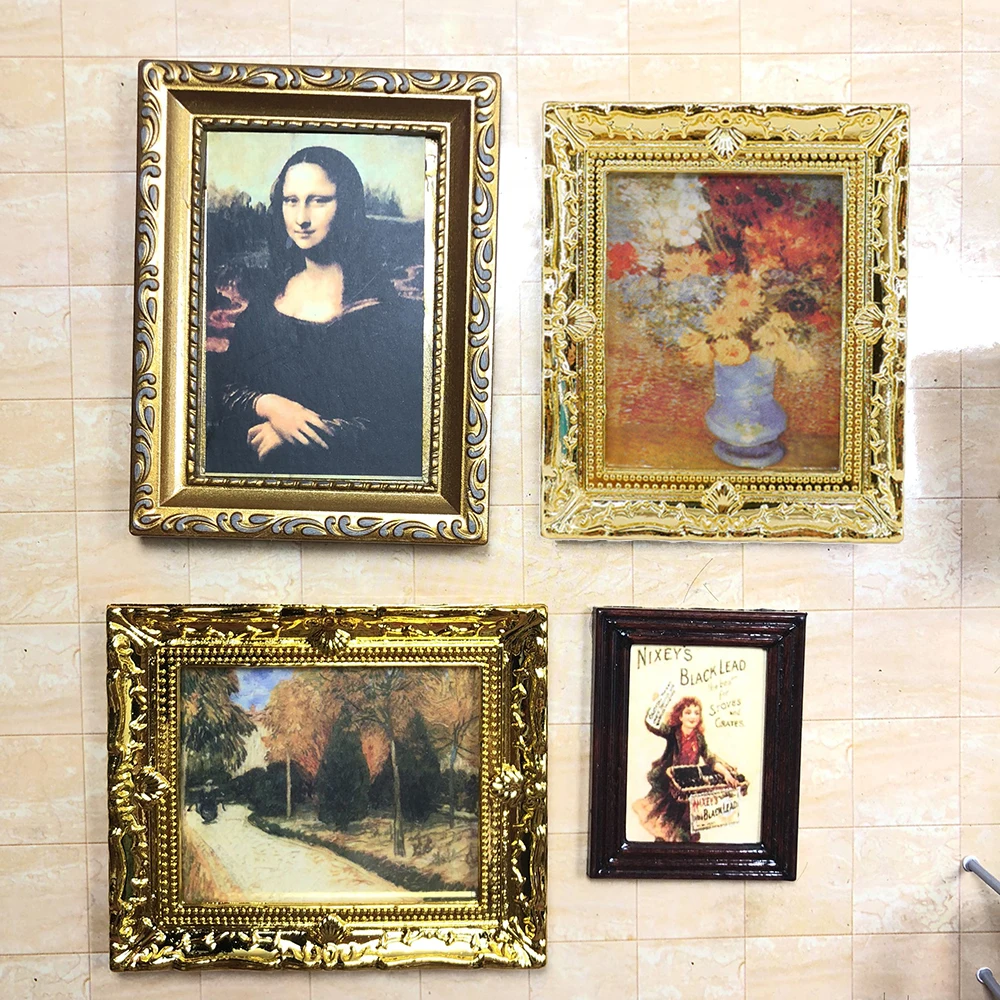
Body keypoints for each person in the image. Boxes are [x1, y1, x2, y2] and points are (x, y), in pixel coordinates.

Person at [205, 145, 424, 478]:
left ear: (347, 206)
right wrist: (271, 406)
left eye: (319, 200)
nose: (301, 218)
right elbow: (225, 388)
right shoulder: (268, 299)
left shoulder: (383, 315)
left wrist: (294, 434)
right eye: (291, 200)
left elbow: (396, 427)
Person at [632, 695, 738, 842]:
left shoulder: (699, 738)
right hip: (670, 786)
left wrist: (726, 773)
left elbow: (710, 758)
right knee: (665, 824)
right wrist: (657, 704)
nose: (692, 716)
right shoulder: (672, 732)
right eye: (688, 712)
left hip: (687, 788)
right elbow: (653, 726)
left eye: (696, 713)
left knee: (686, 828)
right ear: (680, 716)